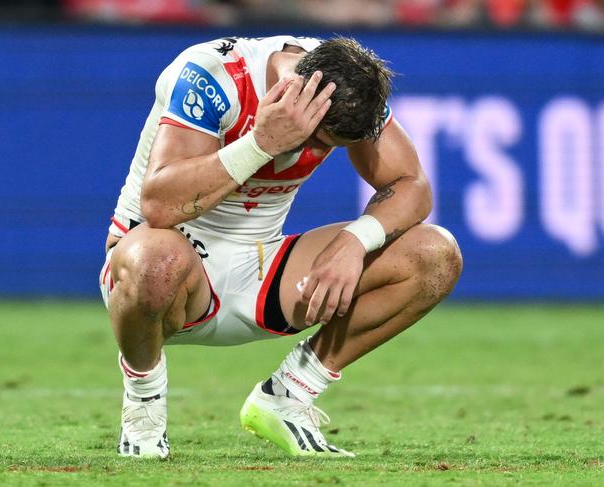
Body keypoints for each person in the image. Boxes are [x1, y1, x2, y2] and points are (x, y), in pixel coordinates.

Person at [99, 35, 462, 459]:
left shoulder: (345, 88)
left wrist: (354, 242)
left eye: (328, 147)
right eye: (317, 138)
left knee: (434, 254)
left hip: (261, 268)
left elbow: (412, 185)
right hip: (164, 270)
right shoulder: (213, 75)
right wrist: (261, 143)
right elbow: (159, 207)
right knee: (156, 260)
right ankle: (143, 404)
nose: (312, 153)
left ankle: (288, 396)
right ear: (296, 92)